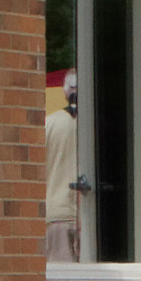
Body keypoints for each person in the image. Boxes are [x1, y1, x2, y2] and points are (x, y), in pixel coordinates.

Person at [42, 69, 87, 264]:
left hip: (56, 213)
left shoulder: (49, 124)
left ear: (64, 91)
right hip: (89, 215)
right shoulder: (96, 124)